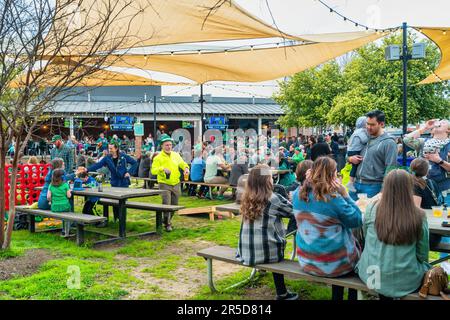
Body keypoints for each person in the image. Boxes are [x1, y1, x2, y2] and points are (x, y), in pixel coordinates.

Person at [356, 169, 431, 299]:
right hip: (406, 281)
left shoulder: (372, 208)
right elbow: (423, 253)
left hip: (371, 274)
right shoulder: (419, 215)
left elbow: (367, 239)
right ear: (409, 188)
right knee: (426, 267)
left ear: (385, 186)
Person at [293, 157, 362, 282]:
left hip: (307, 262)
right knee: (359, 242)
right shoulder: (333, 198)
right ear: (332, 176)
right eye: (336, 172)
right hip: (338, 266)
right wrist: (345, 194)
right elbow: (357, 220)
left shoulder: (297, 194)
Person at [236, 164, 298, 300]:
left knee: (268, 237)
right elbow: (294, 212)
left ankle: (282, 293)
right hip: (267, 253)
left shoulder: (245, 197)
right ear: (267, 180)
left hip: (245, 252)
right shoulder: (273, 198)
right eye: (271, 177)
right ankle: (282, 293)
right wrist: (293, 199)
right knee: (273, 242)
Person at [348, 110, 398, 200]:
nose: (368, 127)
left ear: (381, 124)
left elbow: (391, 169)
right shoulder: (362, 137)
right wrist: (350, 159)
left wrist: (383, 191)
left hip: (374, 187)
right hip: (355, 184)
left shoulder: (389, 143)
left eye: (372, 125)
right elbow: (349, 154)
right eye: (367, 124)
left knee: (370, 214)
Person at [87, 142, 138, 221]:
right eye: (109, 148)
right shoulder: (107, 158)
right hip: (114, 182)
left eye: (111, 148)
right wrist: (87, 169)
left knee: (122, 202)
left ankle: (122, 220)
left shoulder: (123, 156)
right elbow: (98, 165)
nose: (109, 150)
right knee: (114, 201)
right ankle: (116, 219)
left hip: (123, 182)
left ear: (116, 148)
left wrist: (129, 172)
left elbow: (135, 163)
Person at [151, 134, 189, 231]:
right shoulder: (158, 157)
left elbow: (182, 163)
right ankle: (167, 224)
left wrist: (186, 168)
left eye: (170, 145)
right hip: (164, 183)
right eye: (166, 145)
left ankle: (165, 220)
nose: (169, 147)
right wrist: (162, 169)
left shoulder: (176, 155)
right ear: (162, 146)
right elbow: (153, 171)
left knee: (174, 205)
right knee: (166, 203)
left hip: (176, 183)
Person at [404, 119, 450, 192]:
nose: (439, 123)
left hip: (445, 190)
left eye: (443, 122)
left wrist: (439, 161)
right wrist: (425, 127)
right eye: (439, 122)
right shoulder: (423, 142)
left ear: (448, 130)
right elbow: (407, 139)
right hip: (423, 187)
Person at [410, 157, 445, 248]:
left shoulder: (415, 185)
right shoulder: (432, 182)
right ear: (427, 171)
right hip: (435, 232)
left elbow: (416, 209)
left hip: (424, 235)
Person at [346, 116, 370, 193]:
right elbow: (364, 140)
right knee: (355, 166)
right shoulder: (361, 131)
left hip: (351, 150)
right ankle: (351, 182)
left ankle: (351, 182)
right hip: (354, 151)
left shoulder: (356, 131)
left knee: (354, 166)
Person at [47, 168, 72, 236]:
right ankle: (67, 232)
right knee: (68, 215)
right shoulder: (65, 184)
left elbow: (48, 197)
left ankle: (63, 230)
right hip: (65, 207)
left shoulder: (51, 185)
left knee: (64, 215)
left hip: (55, 207)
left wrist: (50, 201)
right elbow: (69, 196)